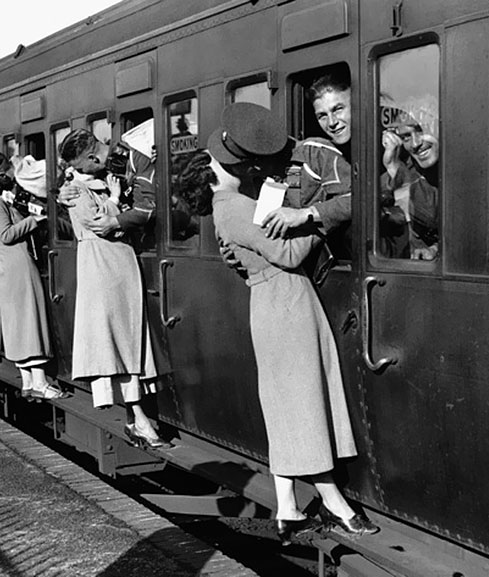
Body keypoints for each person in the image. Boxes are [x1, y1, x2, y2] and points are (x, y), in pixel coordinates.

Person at [176, 103, 379, 544]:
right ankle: (335, 502)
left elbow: (248, 254)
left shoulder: (229, 207)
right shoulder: (234, 206)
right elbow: (287, 254)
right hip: (286, 303)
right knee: (302, 402)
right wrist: (315, 219)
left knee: (286, 403)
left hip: (273, 303)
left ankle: (288, 508)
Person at [58, 135, 169, 449]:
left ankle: (137, 418)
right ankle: (138, 418)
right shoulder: (78, 188)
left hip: (116, 268)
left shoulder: (100, 174)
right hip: (105, 269)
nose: (78, 172)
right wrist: (115, 199)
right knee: (118, 340)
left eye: (81, 167)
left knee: (126, 340)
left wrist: (113, 207)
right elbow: (98, 223)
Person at [0, 151, 62, 399]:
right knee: (29, 320)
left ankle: (28, 383)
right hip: (17, 265)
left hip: (5, 265)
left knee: (17, 324)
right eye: (6, 172)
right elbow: (5, 235)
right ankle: (40, 383)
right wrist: (35, 219)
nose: (10, 176)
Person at [260, 70, 353, 240]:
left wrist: (306, 214)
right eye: (322, 116)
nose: (332, 122)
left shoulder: (319, 152)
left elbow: (356, 200)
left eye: (338, 109)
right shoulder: (300, 159)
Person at [57, 128, 155, 246]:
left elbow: (149, 208)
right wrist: (63, 197)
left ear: (93, 158)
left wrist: (114, 222)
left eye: (80, 169)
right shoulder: (101, 168)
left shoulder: (138, 160)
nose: (81, 173)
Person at [379, 119, 440, 260]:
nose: (415, 143)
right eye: (406, 136)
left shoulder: (464, 164)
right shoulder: (409, 168)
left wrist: (394, 167)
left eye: (421, 130)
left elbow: (433, 216)